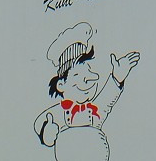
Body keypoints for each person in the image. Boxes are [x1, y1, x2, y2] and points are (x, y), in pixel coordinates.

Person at [33, 23, 140, 161]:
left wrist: (117, 76)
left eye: (89, 73)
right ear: (61, 84)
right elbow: (41, 125)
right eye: (77, 75)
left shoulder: (95, 109)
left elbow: (107, 98)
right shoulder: (58, 113)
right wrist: (48, 133)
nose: (89, 80)